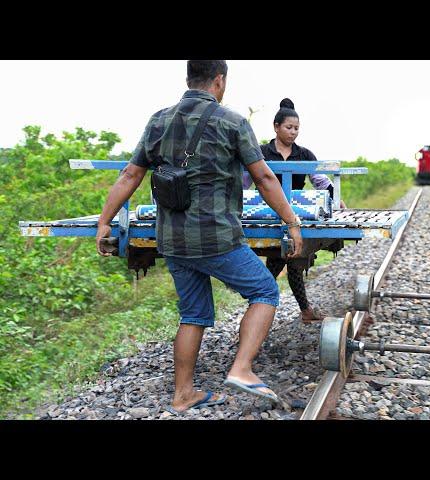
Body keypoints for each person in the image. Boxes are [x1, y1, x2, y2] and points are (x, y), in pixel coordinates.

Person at [95, 61, 303, 413]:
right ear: (220, 80)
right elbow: (265, 179)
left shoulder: (159, 119)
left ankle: (183, 395)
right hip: (217, 238)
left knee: (193, 313)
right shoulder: (232, 121)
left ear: (188, 79)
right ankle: (241, 367)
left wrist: (104, 222)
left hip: (173, 239)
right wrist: (292, 223)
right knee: (264, 291)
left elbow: (131, 173)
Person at [243, 98, 346, 323]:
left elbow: (319, 180)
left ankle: (261, 309)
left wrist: (336, 198)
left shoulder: (304, 154)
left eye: (297, 128)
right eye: (289, 127)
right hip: (267, 214)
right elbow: (244, 182)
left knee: (291, 260)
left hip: (294, 216)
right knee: (282, 261)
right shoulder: (260, 153)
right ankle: (267, 308)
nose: (293, 132)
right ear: (276, 126)